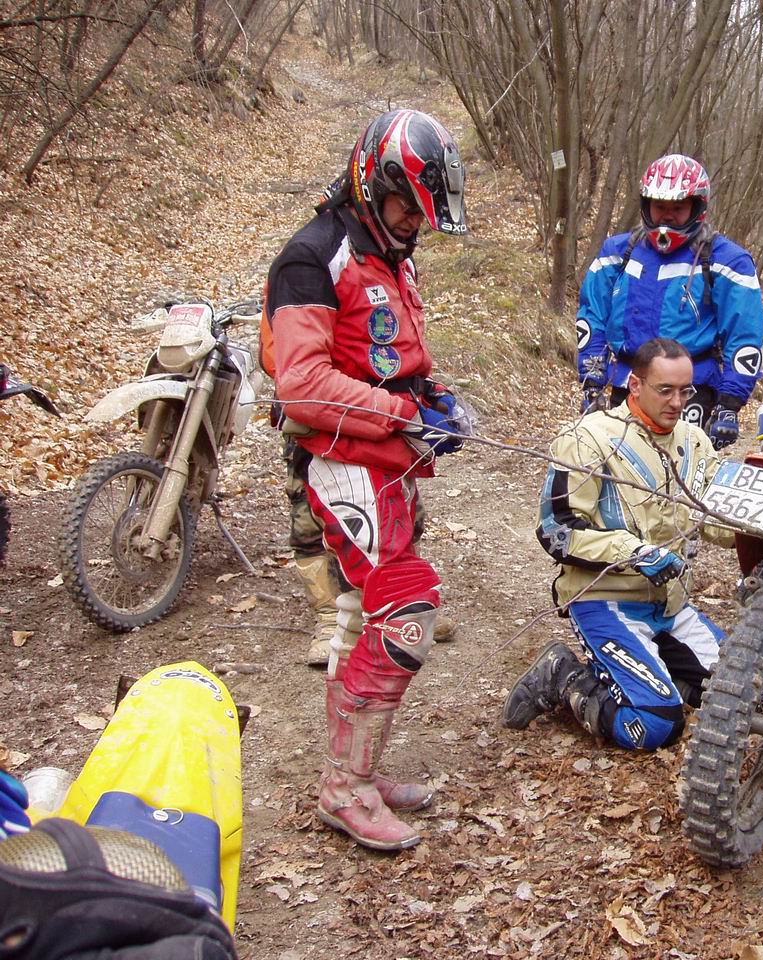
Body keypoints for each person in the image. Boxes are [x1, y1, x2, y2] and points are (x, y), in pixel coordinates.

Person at [266, 108, 469, 850]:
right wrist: (401, 413)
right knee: (407, 610)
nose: (415, 221)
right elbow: (302, 386)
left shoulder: (391, 253)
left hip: (389, 461)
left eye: (423, 210)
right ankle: (343, 788)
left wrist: (434, 400)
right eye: (405, 204)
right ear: (371, 180)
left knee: (359, 616)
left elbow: (392, 357)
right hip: (343, 463)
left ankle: (357, 769)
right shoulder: (311, 257)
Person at [504, 338, 733, 751]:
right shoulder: (588, 439)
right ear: (635, 385)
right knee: (655, 724)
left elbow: (716, 523)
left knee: (743, 692)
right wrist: (633, 553)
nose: (677, 402)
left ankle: (656, 674)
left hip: (670, 604)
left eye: (686, 391)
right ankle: (563, 676)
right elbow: (556, 530)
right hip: (604, 599)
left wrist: (762, 525)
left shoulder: (695, 441)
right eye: (665, 390)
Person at [575, 155, 763, 450]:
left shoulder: (728, 261)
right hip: (629, 383)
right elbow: (592, 315)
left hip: (692, 389)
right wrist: (592, 382)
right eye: (660, 207)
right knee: (618, 465)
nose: (667, 217)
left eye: (677, 208)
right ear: (646, 205)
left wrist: (730, 403)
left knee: (681, 467)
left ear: (696, 207)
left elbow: (744, 333)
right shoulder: (617, 252)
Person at [283, 439, 454, 669]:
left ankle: (403, 608)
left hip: (382, 433)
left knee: (402, 514)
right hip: (315, 436)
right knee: (309, 525)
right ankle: (330, 619)